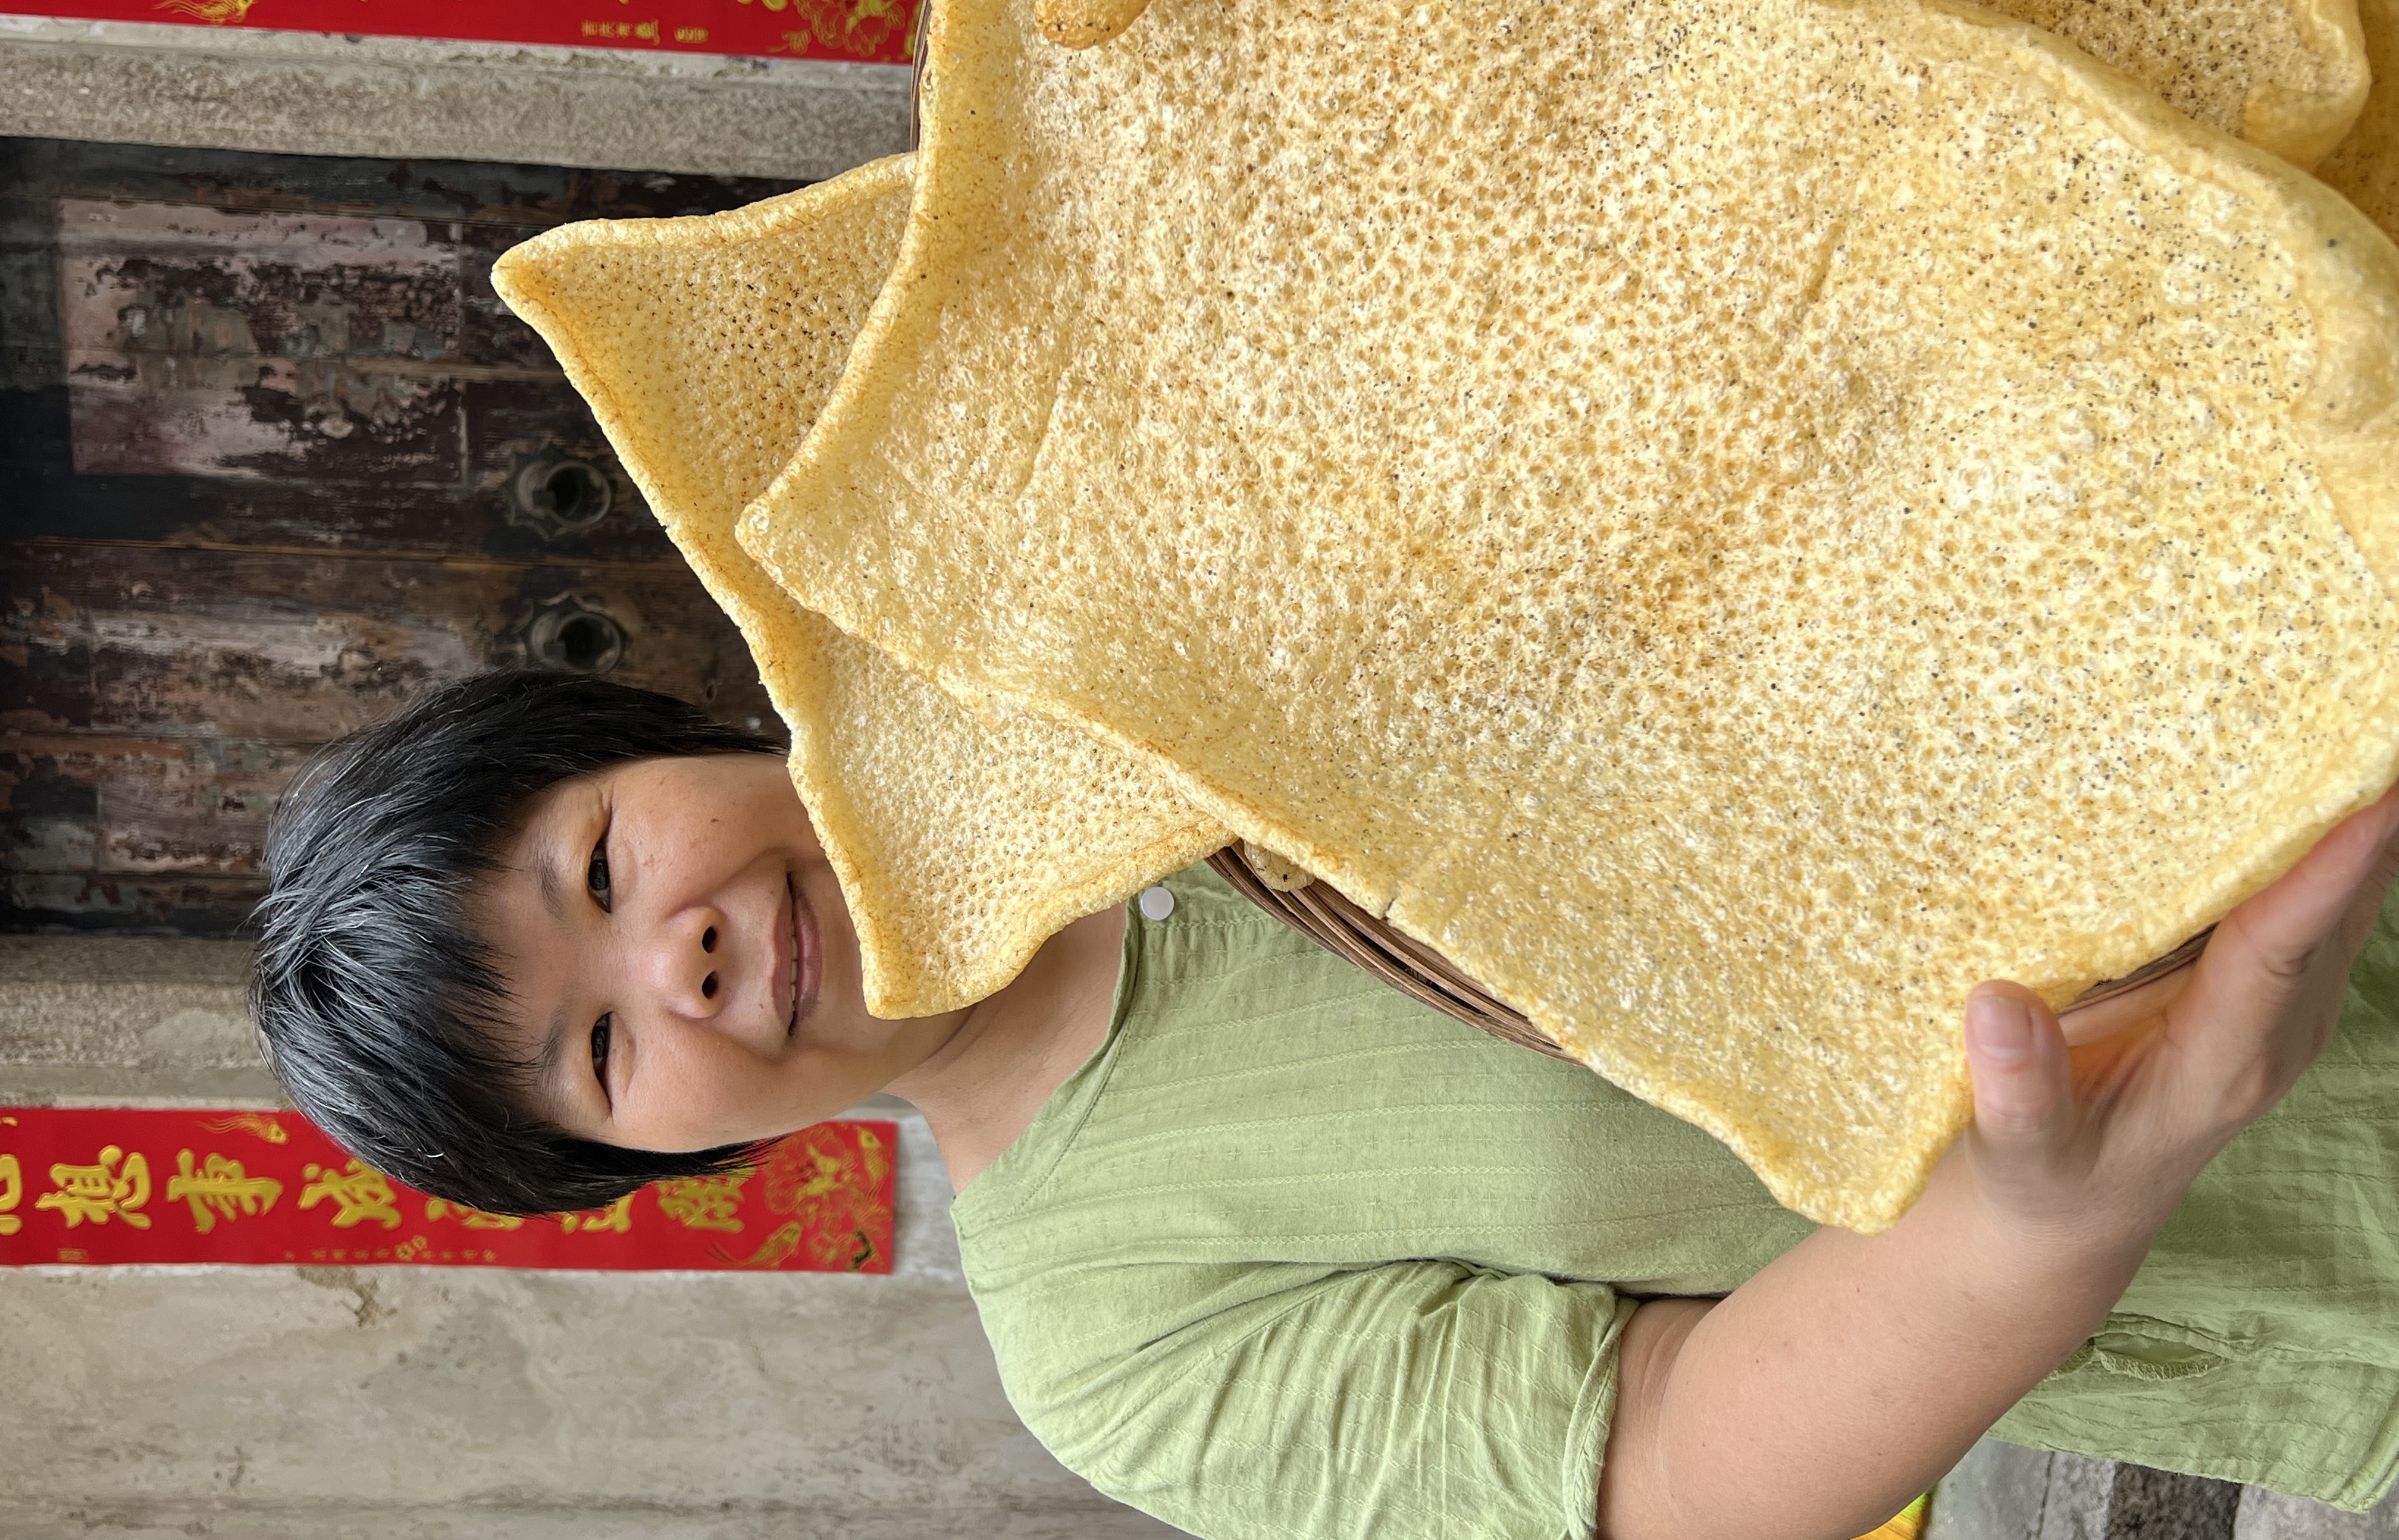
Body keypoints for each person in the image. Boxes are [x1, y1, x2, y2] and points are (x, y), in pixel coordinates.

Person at [253, 668, 2399, 1540]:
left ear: (666, 728)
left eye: (603, 867)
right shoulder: (1119, 1337)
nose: (680, 958)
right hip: (2336, 1266)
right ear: (667, 1161)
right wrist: (2034, 1219)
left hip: (2326, 732)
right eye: (605, 1050)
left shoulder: (1119, 642)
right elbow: (1668, 1455)